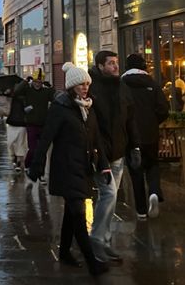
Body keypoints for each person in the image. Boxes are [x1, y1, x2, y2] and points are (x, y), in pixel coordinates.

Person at [28, 63, 110, 277]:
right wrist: (36, 165)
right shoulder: (60, 108)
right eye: (81, 84)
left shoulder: (88, 108)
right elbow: (46, 138)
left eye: (87, 84)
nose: (85, 87)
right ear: (72, 86)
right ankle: (93, 263)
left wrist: (104, 166)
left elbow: (96, 138)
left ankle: (64, 252)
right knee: (78, 214)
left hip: (83, 167)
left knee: (71, 213)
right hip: (65, 167)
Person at [88, 50, 140, 263]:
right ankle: (97, 240)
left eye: (116, 63)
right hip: (101, 153)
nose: (115, 66)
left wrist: (135, 146)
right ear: (100, 66)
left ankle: (105, 239)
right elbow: (92, 126)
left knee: (111, 196)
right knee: (108, 195)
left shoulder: (122, 87)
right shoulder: (92, 88)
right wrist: (98, 154)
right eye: (111, 63)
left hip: (119, 151)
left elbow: (130, 119)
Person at [121, 54, 169, 219]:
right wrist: (153, 122)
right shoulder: (153, 84)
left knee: (136, 171)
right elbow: (163, 109)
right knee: (152, 165)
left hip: (131, 136)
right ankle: (154, 192)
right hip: (150, 134)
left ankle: (141, 211)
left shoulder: (122, 85)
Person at [21, 68, 56, 175]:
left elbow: (54, 97)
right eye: (36, 82)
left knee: (42, 150)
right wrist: (25, 81)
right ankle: (27, 164)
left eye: (40, 82)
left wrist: (50, 87)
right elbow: (17, 91)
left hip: (43, 125)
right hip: (31, 124)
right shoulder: (28, 90)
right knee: (32, 149)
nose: (37, 84)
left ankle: (40, 172)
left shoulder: (46, 92)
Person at [5, 82, 28, 173]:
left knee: (20, 143)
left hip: (22, 123)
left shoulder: (25, 98)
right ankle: (14, 156)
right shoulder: (11, 97)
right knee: (10, 142)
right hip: (12, 123)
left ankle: (18, 161)